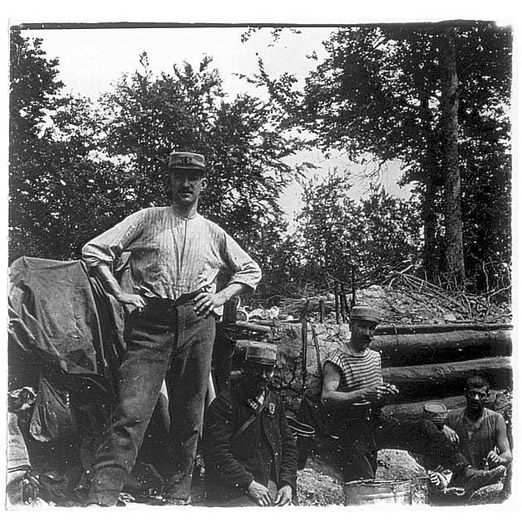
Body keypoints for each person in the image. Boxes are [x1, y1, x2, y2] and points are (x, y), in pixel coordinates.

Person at [81, 151, 261, 506]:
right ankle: (100, 498)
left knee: (190, 413)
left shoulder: (213, 232)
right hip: (151, 321)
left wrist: (222, 296)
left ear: (203, 185)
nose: (186, 183)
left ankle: (177, 495)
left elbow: (250, 270)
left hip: (198, 320)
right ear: (170, 181)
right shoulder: (147, 219)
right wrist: (119, 293)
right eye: (179, 176)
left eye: (193, 177)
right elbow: (95, 250)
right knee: (131, 411)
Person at [320, 305, 506, 495]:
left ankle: (466, 473)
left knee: (425, 428)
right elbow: (327, 397)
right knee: (365, 483)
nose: (368, 333)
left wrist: (385, 395)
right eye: (363, 327)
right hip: (350, 428)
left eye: (372, 328)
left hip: (375, 421)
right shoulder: (337, 359)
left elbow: (375, 396)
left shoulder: (374, 357)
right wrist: (364, 394)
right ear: (351, 326)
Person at [202, 341, 298, 507]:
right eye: (256, 369)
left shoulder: (274, 402)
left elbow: (288, 445)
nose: (263, 375)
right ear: (244, 369)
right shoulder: (225, 404)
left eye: (268, 370)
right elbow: (217, 453)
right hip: (233, 489)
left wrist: (287, 483)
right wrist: (248, 483)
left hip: (269, 486)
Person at [446, 374, 512, 499]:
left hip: (484, 481)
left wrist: (499, 458)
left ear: (487, 397)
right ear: (465, 393)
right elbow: (428, 422)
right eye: (472, 394)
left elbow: (507, 454)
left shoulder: (496, 419)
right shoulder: (452, 418)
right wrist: (443, 428)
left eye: (481, 395)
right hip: (456, 481)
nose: (476, 398)